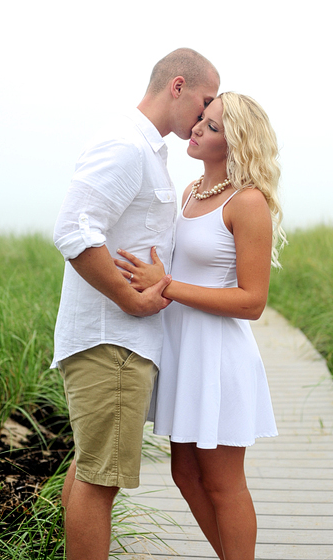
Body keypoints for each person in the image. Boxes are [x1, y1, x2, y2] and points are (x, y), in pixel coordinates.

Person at [52, 48, 220, 560]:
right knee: (100, 482)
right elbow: (74, 229)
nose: (208, 113)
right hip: (112, 341)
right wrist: (131, 298)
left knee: (90, 471)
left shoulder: (148, 150)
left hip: (118, 343)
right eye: (206, 99)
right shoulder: (126, 145)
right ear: (178, 86)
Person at [114, 91, 285, 560]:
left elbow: (253, 302)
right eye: (201, 120)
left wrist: (167, 287)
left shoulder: (248, 202)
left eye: (211, 128)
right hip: (183, 353)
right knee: (185, 475)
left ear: (236, 144)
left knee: (224, 483)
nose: (196, 129)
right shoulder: (189, 192)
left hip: (220, 356)